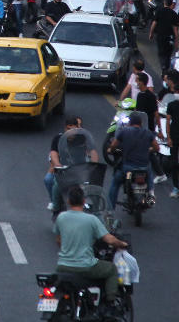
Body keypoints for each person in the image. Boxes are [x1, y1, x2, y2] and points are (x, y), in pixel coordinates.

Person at [54, 186, 129, 316]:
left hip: (62, 267)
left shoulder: (61, 217)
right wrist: (122, 244)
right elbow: (109, 239)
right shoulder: (91, 219)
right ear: (84, 201)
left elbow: (59, 240)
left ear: (69, 202)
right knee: (111, 269)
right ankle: (111, 305)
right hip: (85, 267)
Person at [107, 111, 158, 209]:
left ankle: (110, 210)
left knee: (115, 182)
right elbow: (156, 148)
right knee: (149, 173)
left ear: (130, 123)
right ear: (141, 123)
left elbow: (113, 145)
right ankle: (151, 192)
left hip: (128, 169)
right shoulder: (148, 132)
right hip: (144, 167)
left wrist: (110, 150)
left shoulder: (124, 131)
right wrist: (148, 149)